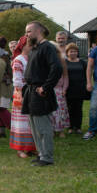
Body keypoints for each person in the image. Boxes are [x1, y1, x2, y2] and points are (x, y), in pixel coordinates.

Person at [21, 21, 63, 166]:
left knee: (43, 127)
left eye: (29, 31)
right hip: (31, 91)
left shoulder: (47, 47)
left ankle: (47, 157)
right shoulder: (35, 49)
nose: (26, 34)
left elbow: (57, 68)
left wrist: (45, 87)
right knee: (34, 126)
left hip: (40, 92)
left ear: (39, 31)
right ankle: (41, 154)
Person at [9, 37, 37, 158]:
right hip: (22, 92)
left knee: (30, 121)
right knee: (21, 122)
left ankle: (31, 147)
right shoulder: (18, 59)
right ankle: (20, 149)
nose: (31, 46)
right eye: (29, 44)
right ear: (23, 46)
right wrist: (21, 93)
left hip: (31, 91)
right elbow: (17, 80)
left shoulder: (31, 58)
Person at [65, 43, 88, 134]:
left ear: (77, 52)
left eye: (75, 51)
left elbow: (87, 74)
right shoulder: (65, 62)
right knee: (69, 108)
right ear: (67, 53)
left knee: (78, 108)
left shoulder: (82, 62)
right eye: (71, 51)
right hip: (69, 88)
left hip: (80, 88)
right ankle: (70, 127)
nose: (73, 53)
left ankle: (78, 127)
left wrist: (87, 84)